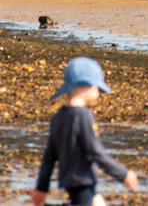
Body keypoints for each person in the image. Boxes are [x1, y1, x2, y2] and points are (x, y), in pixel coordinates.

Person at [32, 57, 139, 206]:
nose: (99, 92)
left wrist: (40, 188)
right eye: (97, 87)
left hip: (71, 182)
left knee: (98, 202)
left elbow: (49, 156)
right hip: (82, 181)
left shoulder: (58, 117)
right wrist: (123, 174)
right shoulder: (83, 115)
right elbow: (95, 151)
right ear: (86, 86)